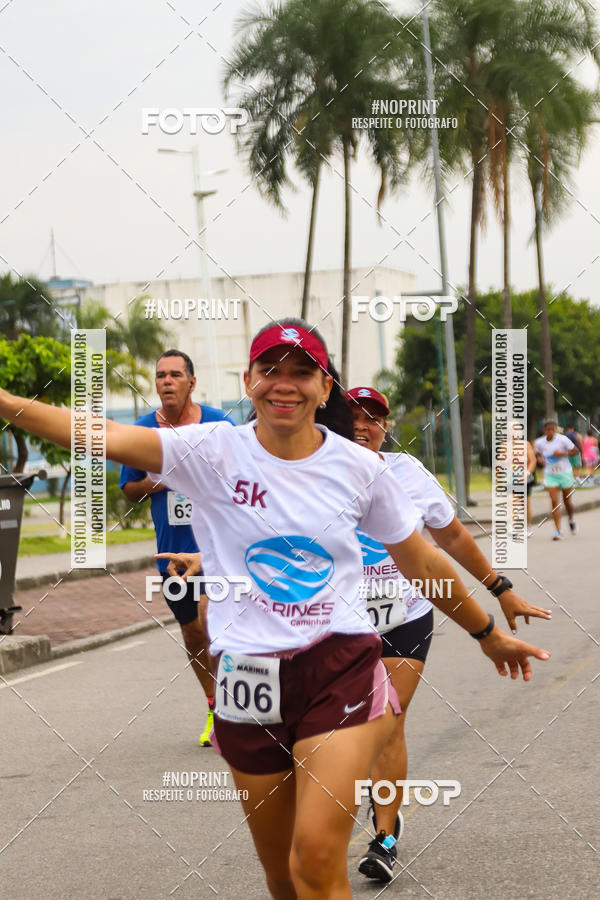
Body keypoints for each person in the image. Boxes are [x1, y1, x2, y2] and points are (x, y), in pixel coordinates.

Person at [0, 319, 550, 900]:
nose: (284, 384)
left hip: (338, 664)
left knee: (316, 859)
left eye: (302, 371)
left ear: (324, 386)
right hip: (247, 677)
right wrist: (7, 402)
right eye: (270, 370)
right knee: (283, 878)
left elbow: (424, 562)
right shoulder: (211, 450)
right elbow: (98, 433)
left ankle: (382, 830)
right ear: (249, 380)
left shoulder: (362, 469)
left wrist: (487, 629)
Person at [345, 387, 551, 883]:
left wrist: (500, 588)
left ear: (386, 426)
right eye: (352, 414)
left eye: (373, 417)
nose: (362, 424)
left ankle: (385, 837)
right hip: (338, 622)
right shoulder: (313, 473)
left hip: (404, 616)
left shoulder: (406, 473)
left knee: (388, 721)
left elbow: (452, 536)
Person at [120, 349, 233, 746]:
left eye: (174, 374)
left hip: (217, 552)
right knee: (191, 635)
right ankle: (214, 708)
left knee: (209, 622)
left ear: (191, 382)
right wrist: (163, 480)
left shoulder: (220, 425)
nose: (166, 381)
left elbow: (243, 477)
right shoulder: (143, 431)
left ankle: (239, 707)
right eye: (160, 375)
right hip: (171, 556)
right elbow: (129, 488)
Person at [534, 420, 579, 540]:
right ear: (544, 430)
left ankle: (571, 520)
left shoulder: (562, 439)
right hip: (550, 475)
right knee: (554, 501)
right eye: (547, 429)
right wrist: (539, 459)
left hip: (565, 473)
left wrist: (563, 453)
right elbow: (537, 453)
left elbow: (576, 451)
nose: (550, 432)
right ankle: (558, 531)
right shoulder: (539, 442)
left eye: (552, 429)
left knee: (567, 501)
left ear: (555, 430)